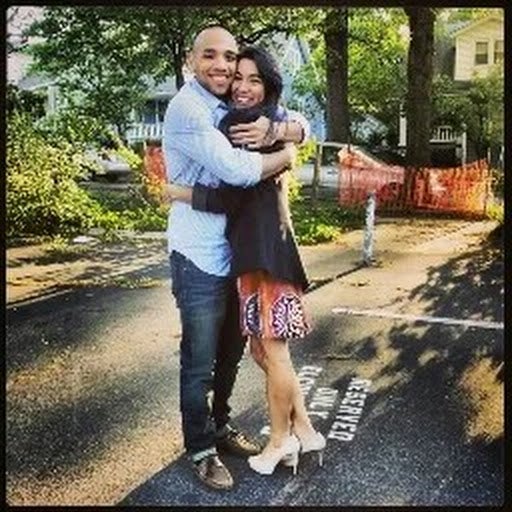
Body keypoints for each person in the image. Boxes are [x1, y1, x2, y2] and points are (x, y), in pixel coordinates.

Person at [166, 45, 326, 478]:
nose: (236, 80)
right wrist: (286, 142)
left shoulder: (244, 118)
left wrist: (287, 137)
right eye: (238, 76)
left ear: (267, 85)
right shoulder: (195, 108)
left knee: (263, 351)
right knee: (228, 356)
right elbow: (239, 175)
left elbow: (237, 186)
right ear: (191, 60)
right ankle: (207, 448)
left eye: (250, 77)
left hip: (258, 255)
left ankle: (279, 437)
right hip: (220, 255)